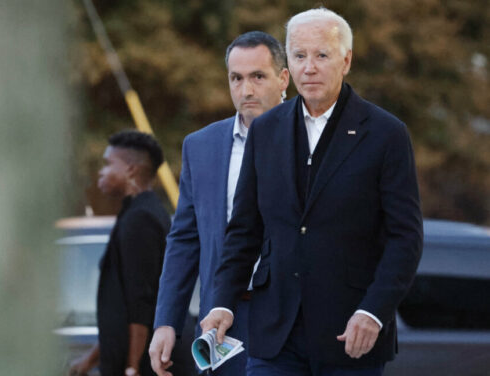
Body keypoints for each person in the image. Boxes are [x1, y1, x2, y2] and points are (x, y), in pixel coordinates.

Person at [201, 8, 423, 376]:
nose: (310, 67)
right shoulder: (266, 130)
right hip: (275, 337)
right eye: (300, 56)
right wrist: (222, 302)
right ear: (289, 63)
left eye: (322, 55)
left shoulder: (386, 134)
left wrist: (373, 311)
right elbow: (245, 230)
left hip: (350, 335)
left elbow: (406, 237)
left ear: (346, 60)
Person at [149, 31, 290, 376]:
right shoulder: (201, 146)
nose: (247, 90)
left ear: (284, 78)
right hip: (223, 319)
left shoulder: (313, 138)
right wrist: (166, 320)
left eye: (258, 76)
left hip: (292, 318)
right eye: (236, 78)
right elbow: (184, 238)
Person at [69, 130, 171, 376]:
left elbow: (141, 303)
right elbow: (120, 312)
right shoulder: (135, 213)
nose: (101, 172)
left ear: (131, 170)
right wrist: (90, 358)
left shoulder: (141, 219)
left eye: (108, 164)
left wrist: (132, 367)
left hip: (144, 364)